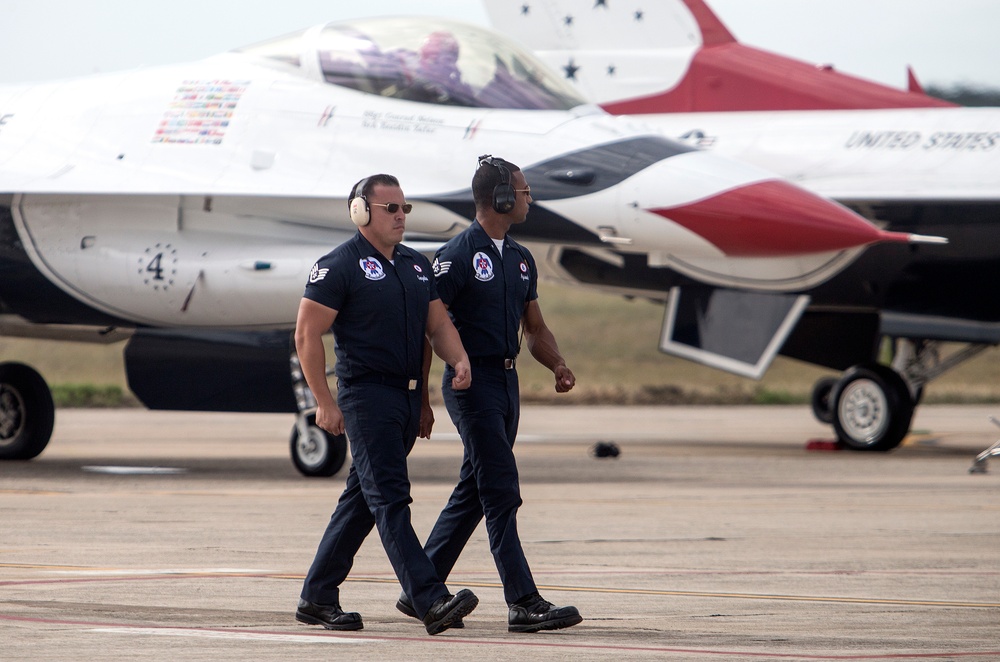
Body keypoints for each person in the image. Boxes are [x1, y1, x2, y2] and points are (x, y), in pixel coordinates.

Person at [396, 155, 583, 633]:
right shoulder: (457, 257)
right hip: (470, 384)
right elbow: (427, 328)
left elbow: (535, 327)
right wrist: (422, 400)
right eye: (522, 192)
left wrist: (557, 364)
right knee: (501, 490)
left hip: (507, 381)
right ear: (500, 197)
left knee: (476, 489)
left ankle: (423, 585)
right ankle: (523, 601)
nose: (528, 199)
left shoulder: (520, 259)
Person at [294, 174, 478, 636]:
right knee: (391, 499)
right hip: (365, 396)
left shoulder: (416, 266)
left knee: (362, 501)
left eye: (404, 208)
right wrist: (324, 401)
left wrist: (456, 362)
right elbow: (306, 334)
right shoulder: (338, 266)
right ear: (361, 212)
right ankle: (430, 598)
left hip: (406, 395)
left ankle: (317, 597)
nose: (400, 216)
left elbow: (436, 327)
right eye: (390, 208)